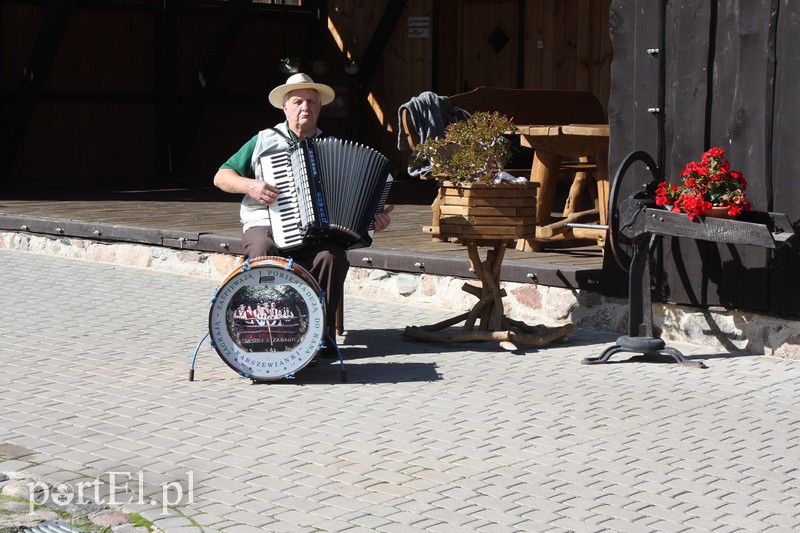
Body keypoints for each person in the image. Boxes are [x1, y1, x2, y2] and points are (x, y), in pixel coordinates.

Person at [213, 73, 392, 355]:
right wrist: (251, 185)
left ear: (320, 108)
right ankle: (267, 332)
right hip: (265, 222)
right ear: (285, 108)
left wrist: (375, 218)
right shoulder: (263, 141)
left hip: (318, 232)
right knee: (264, 248)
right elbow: (222, 177)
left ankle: (319, 334)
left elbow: (358, 203)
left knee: (331, 256)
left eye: (311, 101)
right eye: (297, 101)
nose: (304, 107)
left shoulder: (333, 147)